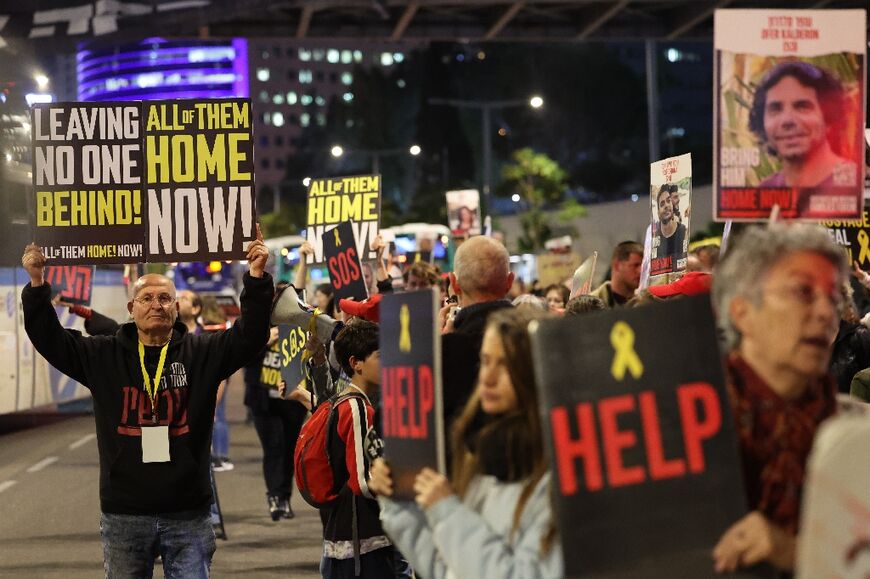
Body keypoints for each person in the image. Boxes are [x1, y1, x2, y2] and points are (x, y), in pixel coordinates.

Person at [20, 234, 273, 579]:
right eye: (147, 298)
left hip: (188, 516)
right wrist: (37, 284)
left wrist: (256, 277)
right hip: (124, 516)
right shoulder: (104, 355)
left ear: (176, 307)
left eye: (165, 298)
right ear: (132, 308)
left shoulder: (202, 354)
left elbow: (250, 337)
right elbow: (51, 340)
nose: (157, 304)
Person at [368, 308, 562, 579]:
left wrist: (447, 512)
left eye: (504, 364)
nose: (488, 377)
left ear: (534, 370)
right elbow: (447, 570)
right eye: (485, 361)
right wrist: (396, 501)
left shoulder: (554, 479)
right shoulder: (482, 455)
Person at [711, 223, 845, 574]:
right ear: (742, 312)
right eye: (803, 291)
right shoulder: (676, 425)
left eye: (833, 298)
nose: (825, 313)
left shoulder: (855, 438)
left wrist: (800, 554)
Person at [319, 320, 410, 579]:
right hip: (361, 543)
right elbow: (362, 482)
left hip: (352, 537)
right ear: (355, 363)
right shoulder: (357, 408)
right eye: (380, 356)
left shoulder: (349, 402)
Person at [440, 235, 514, 428]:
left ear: (454, 284)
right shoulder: (536, 335)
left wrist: (440, 347)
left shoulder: (443, 352)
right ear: (510, 282)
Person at [750, 61, 857, 190]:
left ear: (829, 116)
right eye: (775, 109)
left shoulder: (855, 185)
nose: (787, 120)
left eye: (802, 107)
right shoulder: (764, 191)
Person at [591, 241, 643, 308]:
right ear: (617, 266)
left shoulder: (644, 304)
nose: (640, 271)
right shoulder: (591, 305)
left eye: (643, 266)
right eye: (635, 265)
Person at [653, 185, 687, 261]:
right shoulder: (655, 234)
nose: (666, 205)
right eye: (662, 204)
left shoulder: (683, 230)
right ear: (658, 213)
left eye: (668, 201)